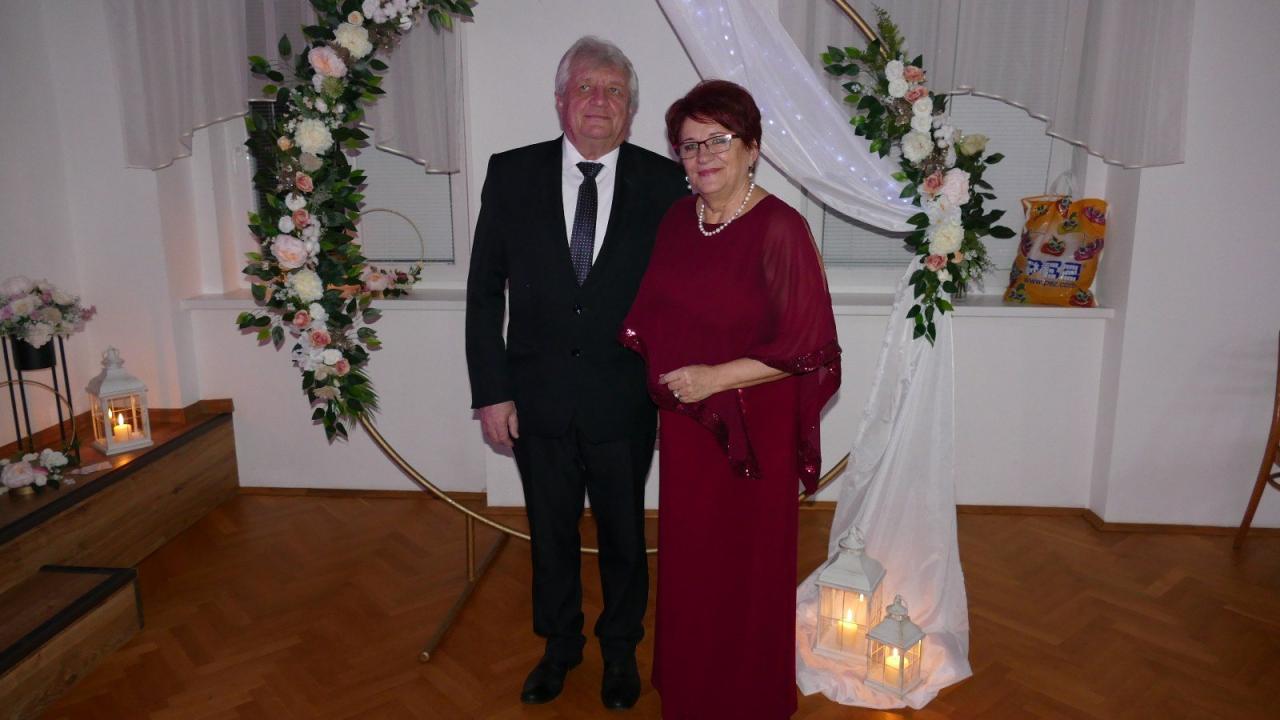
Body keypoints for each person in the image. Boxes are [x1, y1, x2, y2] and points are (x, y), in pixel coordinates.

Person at [464, 36, 686, 710]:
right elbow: (484, 292)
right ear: (561, 99)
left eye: (614, 91)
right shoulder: (512, 174)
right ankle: (559, 647)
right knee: (551, 535)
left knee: (624, 537)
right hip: (536, 400)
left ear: (631, 110)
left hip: (624, 400)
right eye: (586, 87)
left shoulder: (665, 183)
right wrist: (491, 392)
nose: (599, 101)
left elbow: (683, 297)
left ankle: (620, 652)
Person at [620, 80, 841, 719]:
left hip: (753, 431)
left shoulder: (781, 228)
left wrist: (714, 378)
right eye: (689, 146)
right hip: (691, 425)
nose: (703, 157)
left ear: (752, 148)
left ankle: (748, 697)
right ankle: (692, 689)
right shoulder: (677, 219)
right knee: (692, 560)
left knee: (746, 565)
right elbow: (655, 313)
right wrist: (677, 379)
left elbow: (809, 344)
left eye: (718, 140)